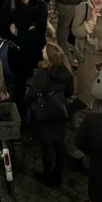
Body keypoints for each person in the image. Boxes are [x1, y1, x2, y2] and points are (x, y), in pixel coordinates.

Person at [25, 42, 74, 187]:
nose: (42, 50)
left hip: (44, 114)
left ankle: (47, 175)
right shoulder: (67, 71)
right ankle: (58, 173)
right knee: (59, 144)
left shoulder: (43, 73)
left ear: (49, 56)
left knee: (46, 147)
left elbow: (32, 94)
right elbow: (69, 92)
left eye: (44, 50)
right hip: (59, 112)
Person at [0, 0, 48, 111]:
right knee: (19, 86)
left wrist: (18, 32)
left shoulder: (41, 6)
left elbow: (40, 31)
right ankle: (22, 114)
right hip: (17, 54)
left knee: (33, 81)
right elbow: (3, 31)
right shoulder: (9, 5)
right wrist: (30, 30)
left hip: (34, 52)